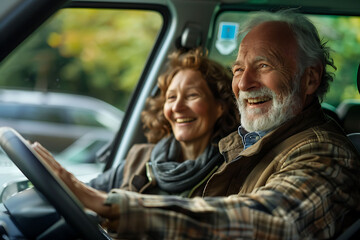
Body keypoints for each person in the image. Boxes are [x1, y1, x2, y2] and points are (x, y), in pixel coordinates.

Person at [33, 9, 360, 239]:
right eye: (237, 69)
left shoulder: (325, 152)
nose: (244, 83)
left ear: (311, 78)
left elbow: (274, 222)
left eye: (263, 65)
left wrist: (115, 206)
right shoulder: (247, 145)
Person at [87, 48, 238, 196]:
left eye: (192, 95)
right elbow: (85, 193)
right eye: (171, 97)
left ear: (220, 107)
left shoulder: (230, 172)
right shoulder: (139, 158)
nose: (177, 107)